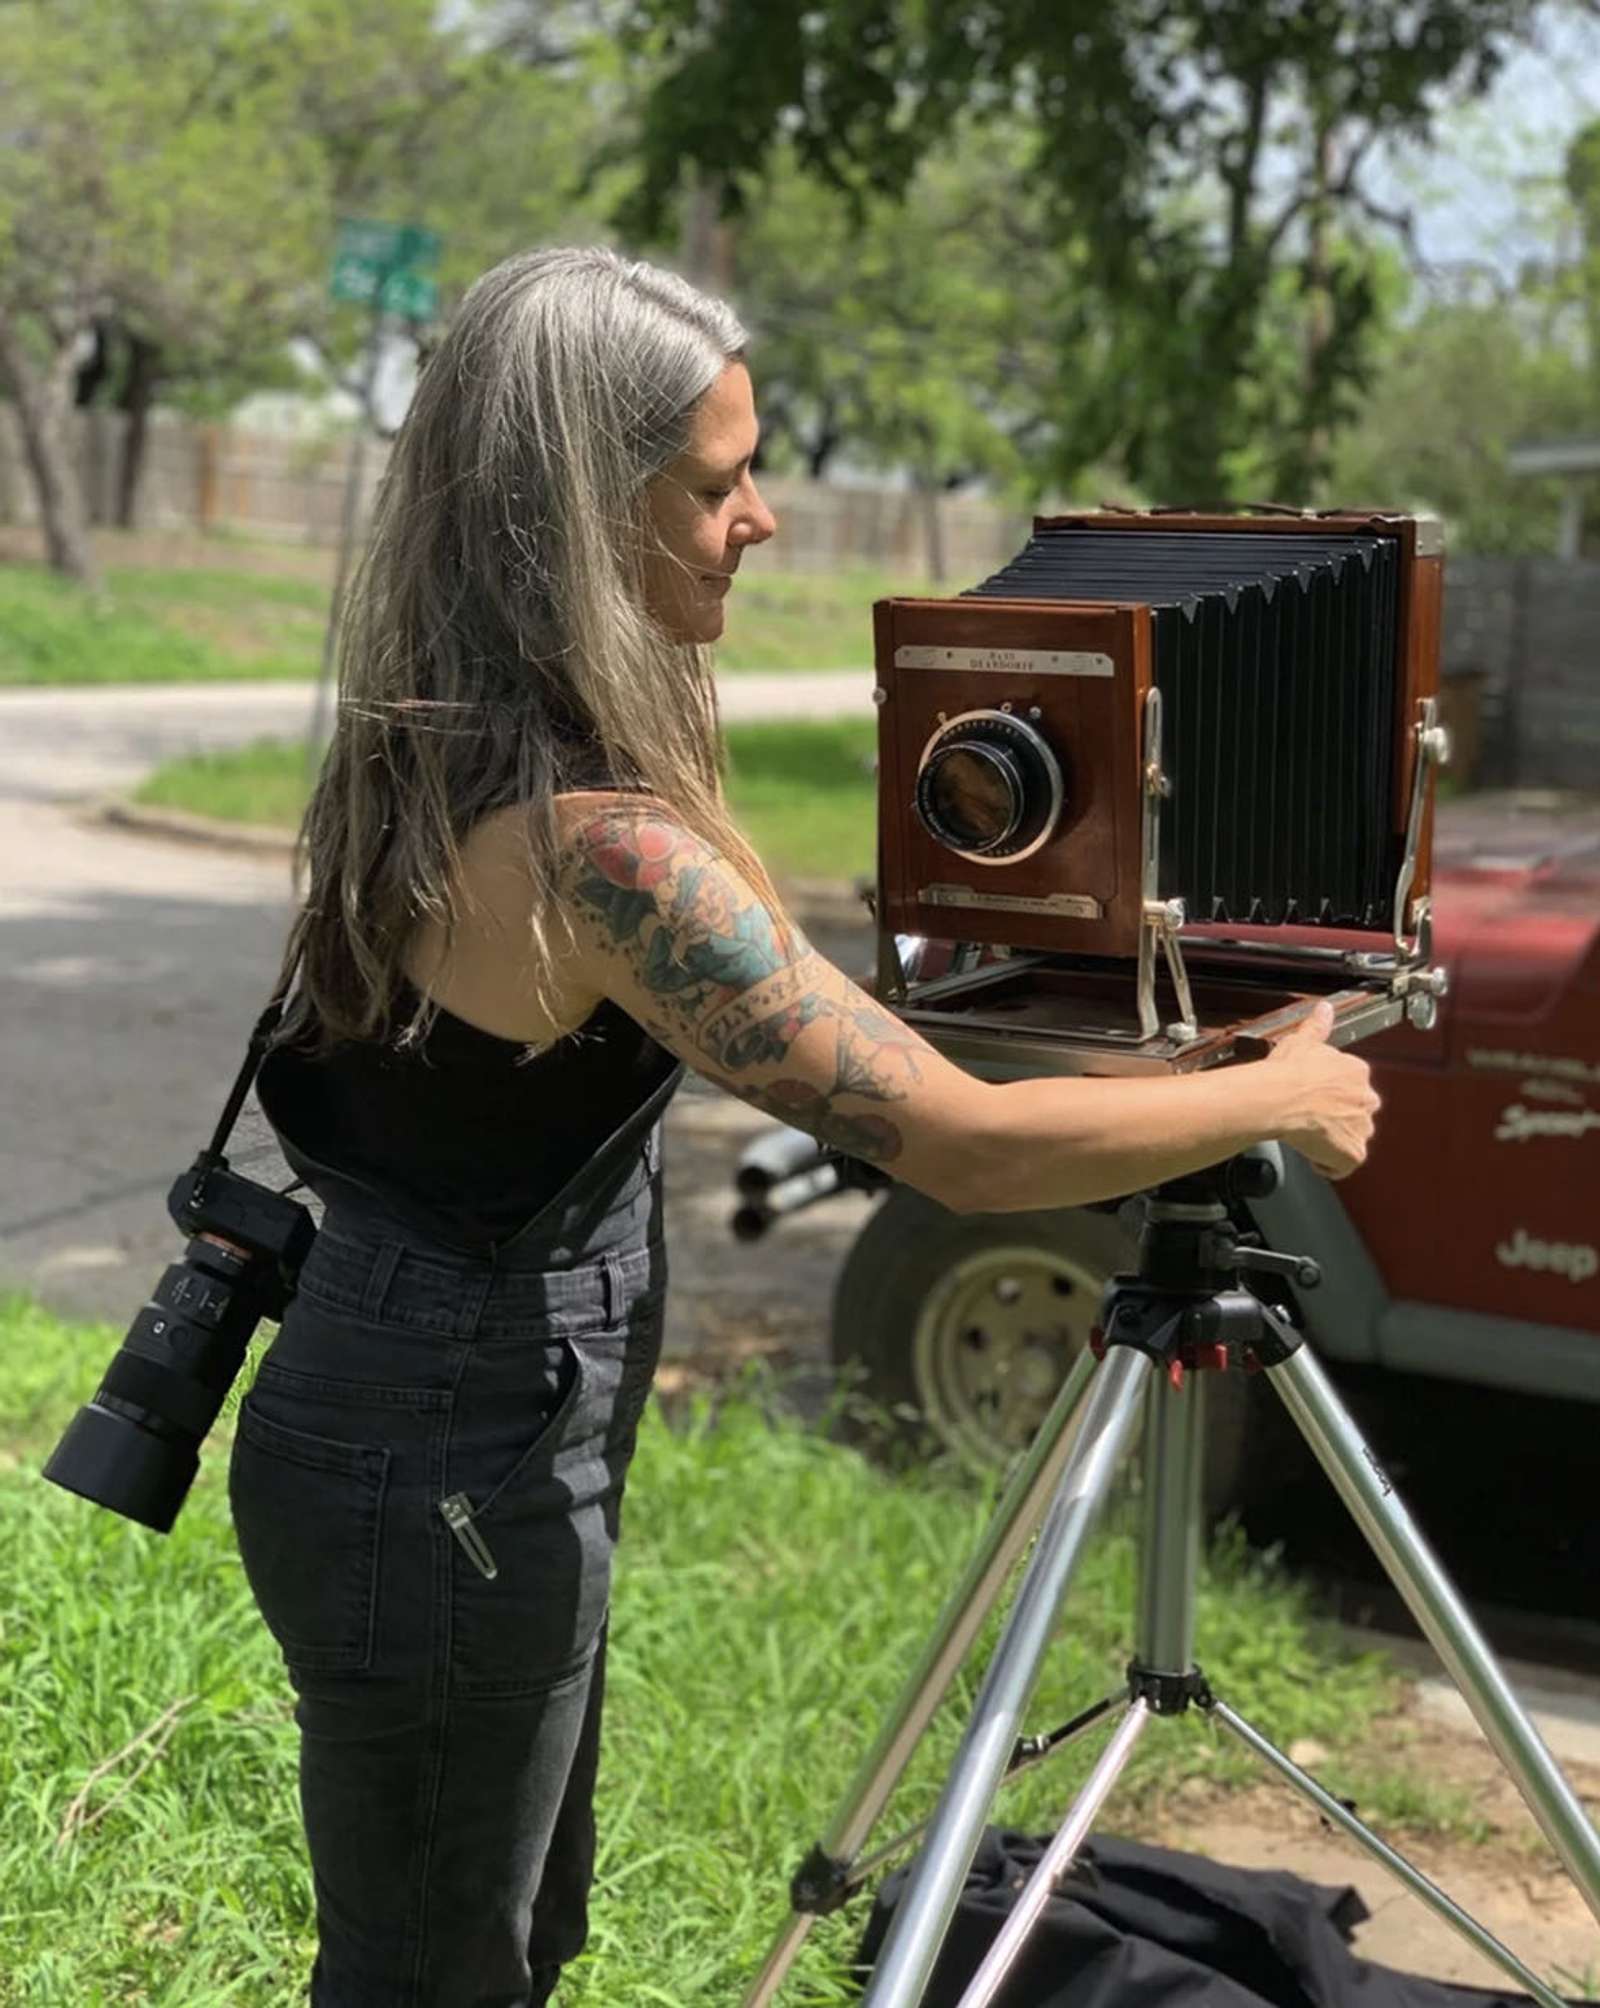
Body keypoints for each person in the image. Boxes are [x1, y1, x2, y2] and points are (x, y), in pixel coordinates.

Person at [227, 245, 1379, 2007]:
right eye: (716, 482)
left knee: (499, 1945)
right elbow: (959, 1148)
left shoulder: (441, 736)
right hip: (442, 1469)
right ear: (568, 510)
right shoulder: (603, 846)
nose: (761, 516)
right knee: (436, 1976)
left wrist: (1182, 1065)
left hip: (429, 1431)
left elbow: (836, 1042)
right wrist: (1284, 1094)